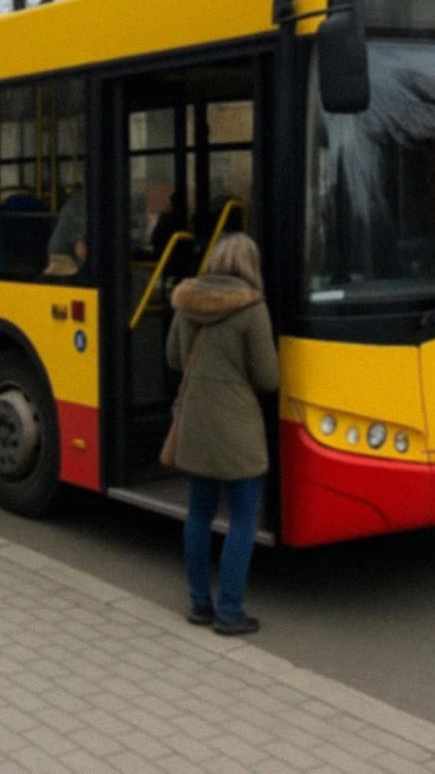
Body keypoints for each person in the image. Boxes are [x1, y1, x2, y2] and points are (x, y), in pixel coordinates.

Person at [164, 232, 279, 636]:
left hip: (195, 423)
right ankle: (229, 612)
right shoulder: (252, 309)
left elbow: (175, 358)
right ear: (250, 265)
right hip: (238, 429)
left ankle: (200, 604)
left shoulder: (187, 301)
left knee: (198, 514)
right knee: (243, 520)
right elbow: (268, 377)